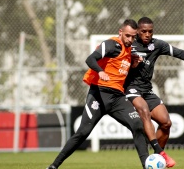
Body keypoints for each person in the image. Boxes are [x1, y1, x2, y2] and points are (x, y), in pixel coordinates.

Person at [46, 19, 149, 169]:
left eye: (133, 37)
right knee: (82, 133)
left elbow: (120, 71)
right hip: (99, 94)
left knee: (137, 125)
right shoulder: (110, 44)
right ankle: (54, 166)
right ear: (120, 32)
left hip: (117, 98)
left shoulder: (129, 51)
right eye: (127, 36)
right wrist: (100, 71)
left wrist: (133, 65)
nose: (130, 39)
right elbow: (90, 59)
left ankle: (147, 165)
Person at [124, 17, 184, 154]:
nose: (147, 34)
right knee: (144, 114)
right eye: (144, 31)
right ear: (137, 31)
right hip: (130, 89)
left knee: (166, 123)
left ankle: (157, 159)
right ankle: (148, 153)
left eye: (150, 31)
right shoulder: (128, 44)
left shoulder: (157, 45)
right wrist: (131, 65)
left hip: (146, 90)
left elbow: (179, 53)